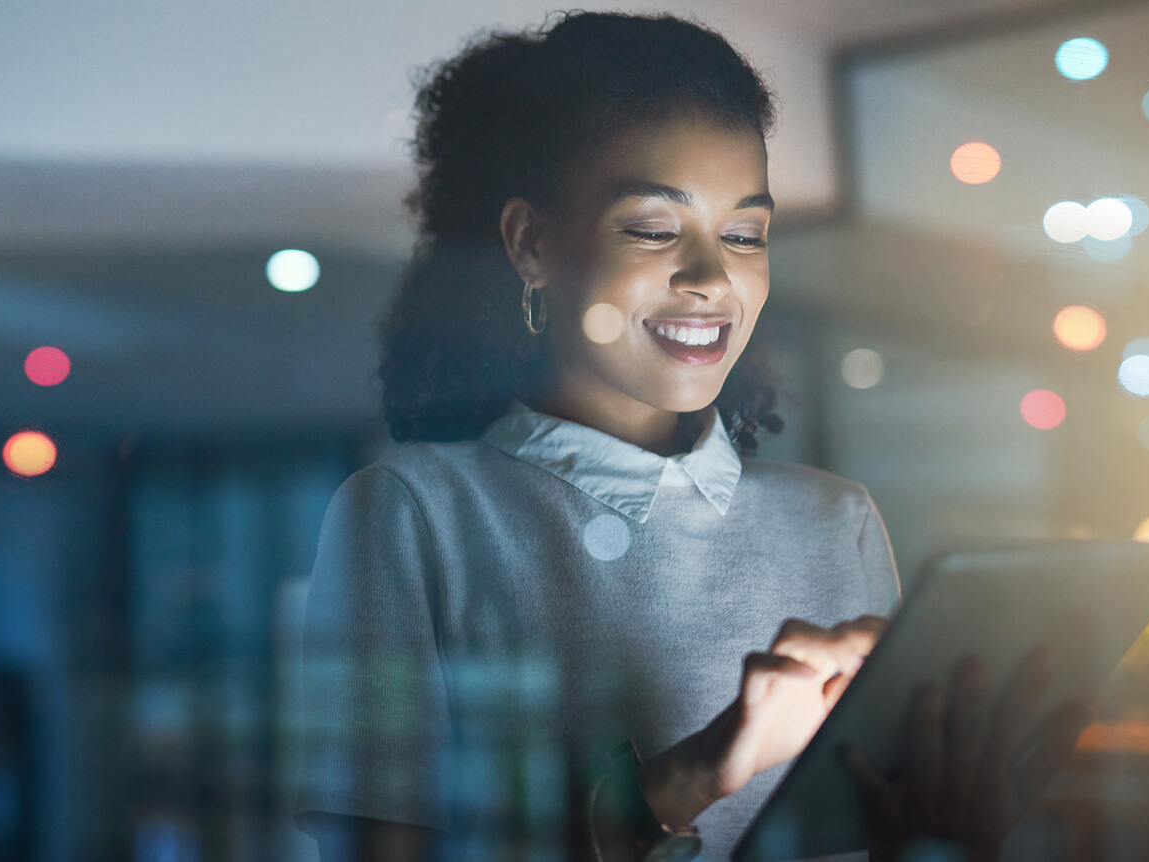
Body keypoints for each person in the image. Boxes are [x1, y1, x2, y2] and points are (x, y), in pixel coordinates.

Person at [292, 12, 1087, 862]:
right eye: (652, 229)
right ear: (531, 245)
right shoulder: (414, 513)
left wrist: (952, 836)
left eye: (745, 235)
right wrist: (698, 774)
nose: (712, 277)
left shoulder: (835, 520)